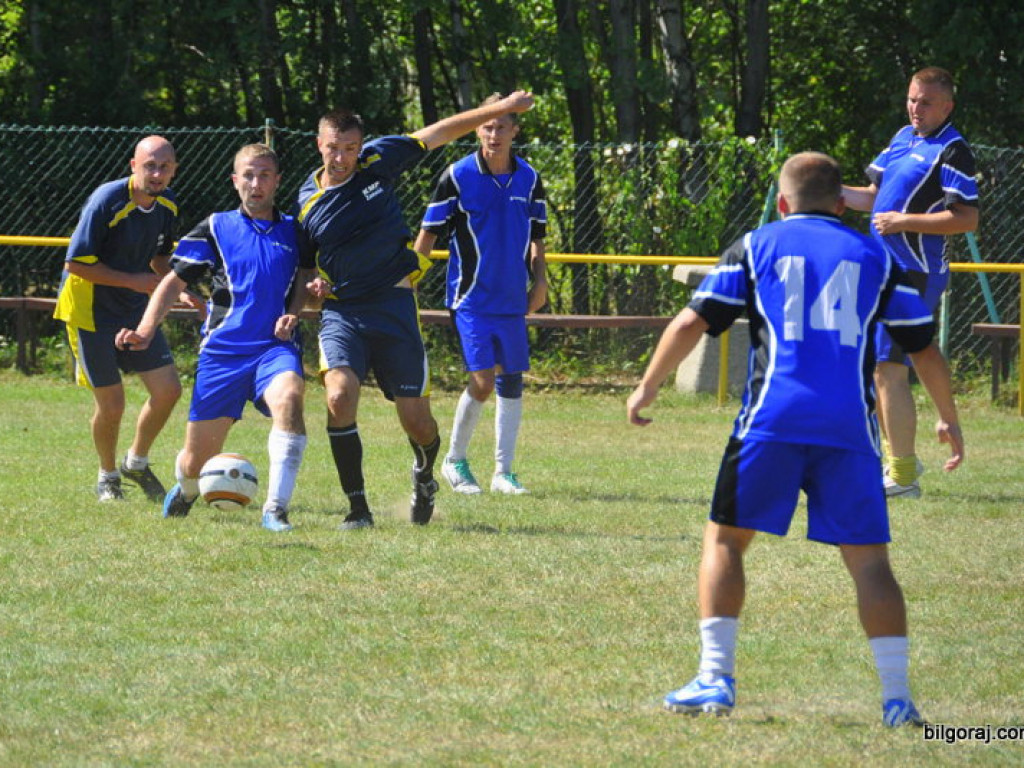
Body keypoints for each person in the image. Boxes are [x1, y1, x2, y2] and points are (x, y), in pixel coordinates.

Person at [627, 152, 964, 727]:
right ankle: (898, 698)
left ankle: (715, 678)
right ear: (842, 204)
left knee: (726, 541)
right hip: (848, 432)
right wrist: (948, 417)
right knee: (870, 564)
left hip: (771, 421)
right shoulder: (876, 257)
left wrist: (647, 386)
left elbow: (691, 321)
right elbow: (923, 348)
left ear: (783, 203)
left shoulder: (757, 245)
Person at [297, 90, 537, 529]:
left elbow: (441, 131)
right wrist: (310, 293)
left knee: (419, 424)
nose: (342, 158)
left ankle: (425, 473)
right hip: (343, 311)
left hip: (393, 305)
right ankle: (358, 508)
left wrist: (502, 110)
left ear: (360, 145)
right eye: (333, 147)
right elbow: (306, 270)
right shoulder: (307, 202)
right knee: (338, 396)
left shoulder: (378, 161)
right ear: (319, 144)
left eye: (350, 148)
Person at [116, 144, 315, 532]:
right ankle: (188, 489)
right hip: (223, 354)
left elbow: (305, 276)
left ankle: (275, 509)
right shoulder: (216, 226)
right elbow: (173, 281)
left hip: (274, 349)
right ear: (235, 180)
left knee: (290, 398)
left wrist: (294, 311)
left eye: (264, 175)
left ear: (276, 181)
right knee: (195, 463)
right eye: (248, 175)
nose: (256, 184)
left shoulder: (297, 230)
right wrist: (144, 329)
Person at [843, 66, 978, 499]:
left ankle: (902, 477)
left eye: (926, 102)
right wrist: (826, 190)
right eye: (912, 99)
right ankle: (900, 463)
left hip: (916, 271)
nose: (916, 109)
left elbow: (967, 219)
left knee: (888, 366)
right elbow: (873, 197)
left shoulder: (953, 151)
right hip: (882, 270)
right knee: (879, 369)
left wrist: (906, 221)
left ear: (947, 106)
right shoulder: (903, 138)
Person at [413, 93, 548, 496]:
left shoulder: (529, 178)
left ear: (514, 130)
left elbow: (538, 236)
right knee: (483, 381)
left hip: (513, 299)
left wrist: (540, 282)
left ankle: (503, 472)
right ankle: (455, 461)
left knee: (512, 381)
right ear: (477, 128)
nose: (494, 133)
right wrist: (409, 283)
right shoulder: (457, 176)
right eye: (487, 126)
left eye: (502, 126)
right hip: (470, 299)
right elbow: (428, 235)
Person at [54, 135, 197, 503]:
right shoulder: (108, 200)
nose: (157, 173)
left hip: (133, 309)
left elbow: (161, 261)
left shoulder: (167, 204)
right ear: (133, 166)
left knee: (168, 391)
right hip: (90, 310)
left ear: (174, 171)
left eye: (165, 166)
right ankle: (108, 476)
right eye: (149, 165)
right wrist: (135, 281)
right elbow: (75, 264)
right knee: (112, 404)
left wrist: (181, 288)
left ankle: (136, 461)